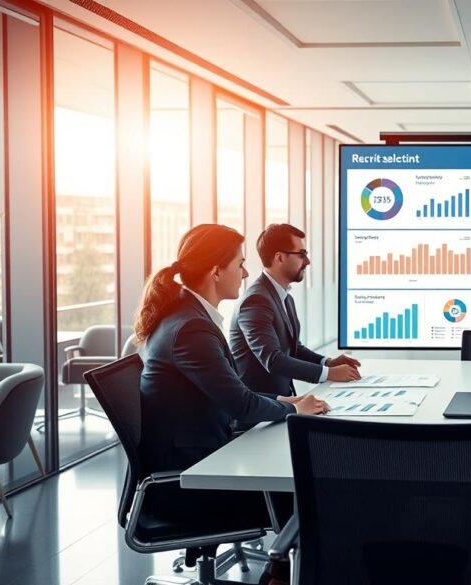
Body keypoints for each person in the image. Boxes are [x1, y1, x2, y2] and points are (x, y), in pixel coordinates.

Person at [135, 224, 327, 585]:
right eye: (239, 264)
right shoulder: (191, 329)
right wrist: (293, 409)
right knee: (304, 489)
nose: (244, 272)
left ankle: (281, 570)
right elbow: (240, 403)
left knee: (297, 477)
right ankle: (283, 573)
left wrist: (283, 400)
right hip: (184, 485)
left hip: (200, 459)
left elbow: (232, 391)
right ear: (215, 271)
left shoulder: (189, 317)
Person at [230, 223, 361, 398]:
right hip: (258, 416)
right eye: (302, 255)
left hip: (280, 406)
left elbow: (293, 348)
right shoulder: (256, 301)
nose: (307, 261)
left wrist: (328, 363)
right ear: (280, 258)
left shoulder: (283, 297)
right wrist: (329, 374)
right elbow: (273, 360)